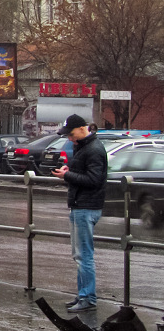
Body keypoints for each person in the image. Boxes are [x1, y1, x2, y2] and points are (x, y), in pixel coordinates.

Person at [53, 114, 108, 313]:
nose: (69, 138)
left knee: (83, 255)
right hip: (81, 205)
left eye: (71, 134)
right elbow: (87, 175)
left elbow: (94, 180)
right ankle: (83, 294)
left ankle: (88, 297)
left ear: (83, 129)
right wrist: (69, 172)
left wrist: (67, 175)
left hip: (86, 206)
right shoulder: (86, 147)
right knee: (79, 255)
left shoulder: (92, 149)